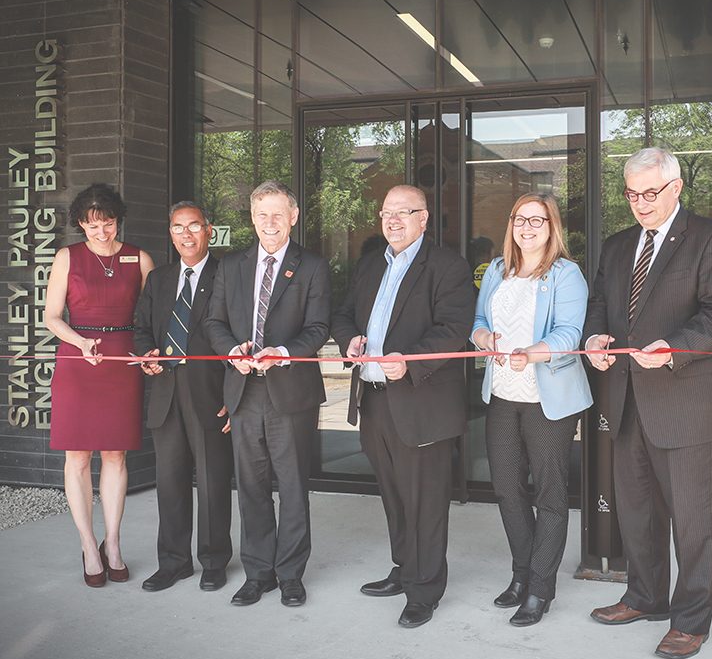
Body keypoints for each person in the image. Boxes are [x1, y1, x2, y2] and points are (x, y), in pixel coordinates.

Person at [583, 146, 712, 659]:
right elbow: (599, 306)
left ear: (676, 188)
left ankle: (690, 621)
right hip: (627, 399)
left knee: (693, 521)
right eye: (632, 193)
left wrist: (673, 349)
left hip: (688, 401)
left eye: (650, 192)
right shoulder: (616, 246)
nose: (640, 203)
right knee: (636, 511)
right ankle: (645, 596)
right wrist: (594, 341)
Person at [331, 185, 474, 629]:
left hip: (421, 402)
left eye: (403, 212)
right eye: (386, 213)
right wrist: (348, 339)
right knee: (394, 495)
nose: (393, 220)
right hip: (374, 402)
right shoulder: (372, 264)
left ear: (424, 218)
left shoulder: (448, 266)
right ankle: (404, 568)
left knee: (426, 501)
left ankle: (424, 589)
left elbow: (453, 331)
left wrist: (408, 364)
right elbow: (344, 315)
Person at [204, 181, 331, 608]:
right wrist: (230, 351)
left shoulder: (311, 265)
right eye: (262, 214)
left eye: (278, 214)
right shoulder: (231, 265)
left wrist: (284, 352)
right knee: (252, 487)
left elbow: (318, 328)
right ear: (252, 218)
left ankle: (291, 574)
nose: (270, 223)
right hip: (243, 389)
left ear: (293, 217)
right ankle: (259, 572)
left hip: (290, 390)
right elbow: (214, 323)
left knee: (293, 486)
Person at [471, 193, 592, 626]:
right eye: (520, 219)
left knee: (550, 495)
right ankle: (521, 574)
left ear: (551, 226)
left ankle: (540, 588)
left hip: (547, 400)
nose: (527, 227)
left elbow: (570, 334)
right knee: (506, 488)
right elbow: (478, 324)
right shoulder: (497, 271)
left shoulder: (565, 274)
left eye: (536, 220)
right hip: (502, 393)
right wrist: (483, 339)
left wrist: (534, 352)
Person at [46, 184, 154, 587]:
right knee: (77, 456)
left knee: (115, 455)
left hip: (123, 357)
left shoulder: (139, 257)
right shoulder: (66, 257)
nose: (102, 232)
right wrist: (79, 342)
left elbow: (152, 314)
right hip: (78, 358)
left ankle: (114, 543)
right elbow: (52, 317)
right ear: (80, 224)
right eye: (93, 226)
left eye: (108, 223)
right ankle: (89, 544)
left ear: (117, 220)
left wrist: (149, 353)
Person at [133, 202, 234, 592]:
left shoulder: (227, 273)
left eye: (194, 226)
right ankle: (174, 562)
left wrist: (233, 393)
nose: (186, 235)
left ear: (209, 230)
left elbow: (236, 331)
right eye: (178, 227)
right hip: (166, 392)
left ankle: (213, 561)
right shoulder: (159, 279)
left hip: (210, 394)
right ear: (170, 232)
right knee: (169, 481)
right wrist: (147, 355)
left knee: (212, 480)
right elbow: (141, 328)